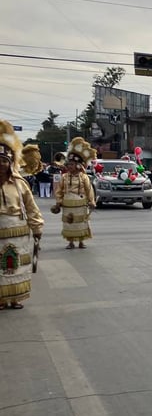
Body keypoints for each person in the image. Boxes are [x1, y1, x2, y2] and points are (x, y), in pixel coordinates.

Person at [0, 120, 44, 310]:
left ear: (10, 163)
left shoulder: (20, 183)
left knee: (16, 266)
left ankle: (15, 298)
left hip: (18, 232)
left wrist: (37, 227)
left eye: (4, 161)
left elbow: (31, 207)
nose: (1, 164)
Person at [54, 137, 96, 250]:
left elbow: (89, 189)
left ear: (78, 165)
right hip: (67, 204)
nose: (69, 167)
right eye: (68, 165)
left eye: (71, 165)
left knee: (82, 222)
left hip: (81, 203)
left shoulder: (84, 177)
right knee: (69, 223)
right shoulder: (64, 177)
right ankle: (71, 242)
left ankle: (81, 242)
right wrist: (58, 202)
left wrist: (92, 201)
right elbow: (59, 190)